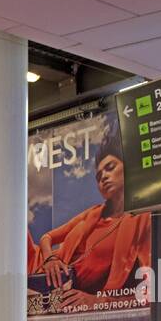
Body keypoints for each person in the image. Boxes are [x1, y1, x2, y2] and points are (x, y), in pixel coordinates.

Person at [37, 133, 151, 311]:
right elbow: (47, 237)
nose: (103, 177)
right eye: (98, 176)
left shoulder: (143, 220)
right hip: (52, 293)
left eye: (110, 168)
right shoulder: (92, 215)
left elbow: (152, 295)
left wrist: (98, 302)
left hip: (89, 310)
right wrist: (49, 258)